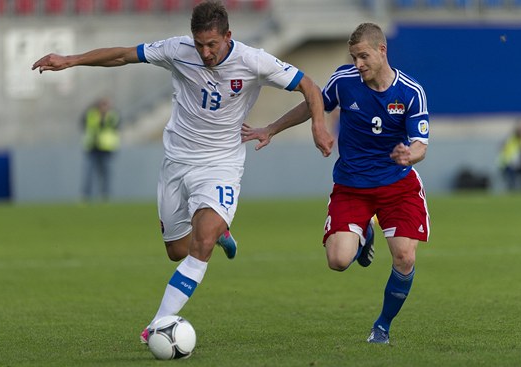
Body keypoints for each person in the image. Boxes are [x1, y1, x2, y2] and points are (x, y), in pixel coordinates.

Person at [32, 0, 333, 344]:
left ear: (228, 36)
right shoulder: (178, 50)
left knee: (200, 244)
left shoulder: (254, 61)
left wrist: (317, 127)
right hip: (177, 161)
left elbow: (309, 86)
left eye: (212, 44)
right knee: (177, 251)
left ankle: (158, 325)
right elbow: (123, 55)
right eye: (200, 43)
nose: (205, 52)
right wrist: (71, 60)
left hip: (220, 163)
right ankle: (220, 232)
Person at [242, 22, 430, 344]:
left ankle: (382, 327)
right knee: (338, 260)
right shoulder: (345, 81)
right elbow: (313, 104)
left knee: (405, 257)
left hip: (397, 186)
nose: (358, 64)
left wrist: (409, 155)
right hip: (352, 186)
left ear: (382, 51)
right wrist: (271, 128)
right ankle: (364, 232)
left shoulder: (411, 92)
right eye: (354, 57)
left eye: (364, 57)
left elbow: (421, 145)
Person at [80, 97, 120, 201]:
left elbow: (114, 125)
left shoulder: (112, 115)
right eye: (102, 105)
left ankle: (105, 195)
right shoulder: (92, 114)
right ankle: (86, 196)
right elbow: (84, 123)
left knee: (105, 174)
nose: (104, 107)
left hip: (106, 149)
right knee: (89, 173)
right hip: (92, 147)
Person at [498, 122, 521, 191]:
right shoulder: (510, 139)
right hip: (509, 164)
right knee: (511, 172)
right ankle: (512, 189)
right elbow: (502, 150)